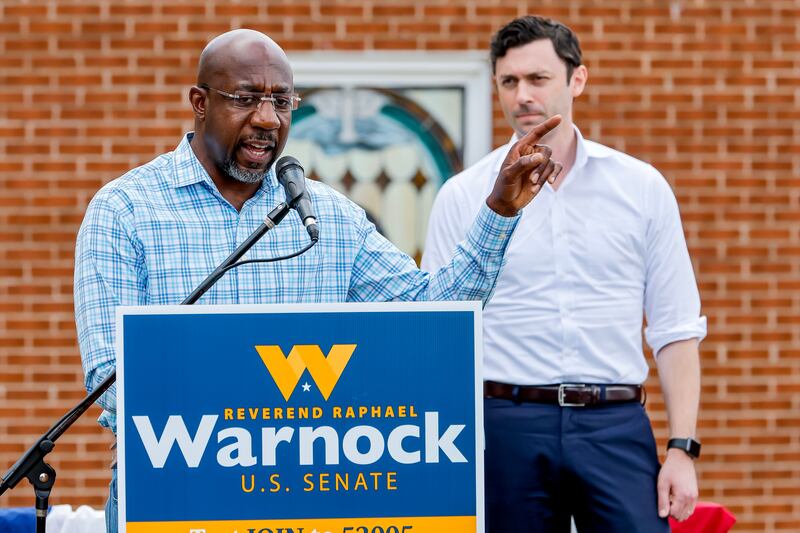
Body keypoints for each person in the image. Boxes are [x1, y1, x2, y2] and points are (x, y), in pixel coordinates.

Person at [73, 29, 562, 532]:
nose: (267, 120)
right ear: (200, 102)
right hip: (176, 500)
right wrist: (252, 417)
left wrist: (499, 211)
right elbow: (112, 376)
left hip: (305, 503)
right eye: (245, 100)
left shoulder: (326, 216)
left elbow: (435, 311)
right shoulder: (125, 211)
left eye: (282, 102)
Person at [422, 16, 706, 533]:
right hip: (506, 425)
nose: (522, 95)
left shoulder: (641, 188)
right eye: (509, 82)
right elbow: (439, 330)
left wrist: (682, 449)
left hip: (614, 425)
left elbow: (675, 327)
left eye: (538, 78)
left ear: (577, 79)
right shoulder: (463, 196)